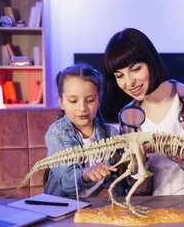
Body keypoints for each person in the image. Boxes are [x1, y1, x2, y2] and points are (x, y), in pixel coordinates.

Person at [103, 27, 184, 195]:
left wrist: (181, 154)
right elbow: (137, 190)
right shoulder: (128, 116)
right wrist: (140, 162)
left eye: (135, 69)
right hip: (152, 212)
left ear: (150, 61)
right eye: (119, 76)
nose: (129, 83)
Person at [44, 63, 125, 198]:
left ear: (99, 100)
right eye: (73, 101)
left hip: (99, 208)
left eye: (90, 100)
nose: (82, 108)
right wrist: (87, 174)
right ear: (62, 102)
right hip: (64, 206)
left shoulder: (112, 134)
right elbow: (66, 181)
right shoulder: (56, 134)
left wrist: (110, 190)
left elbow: (119, 176)